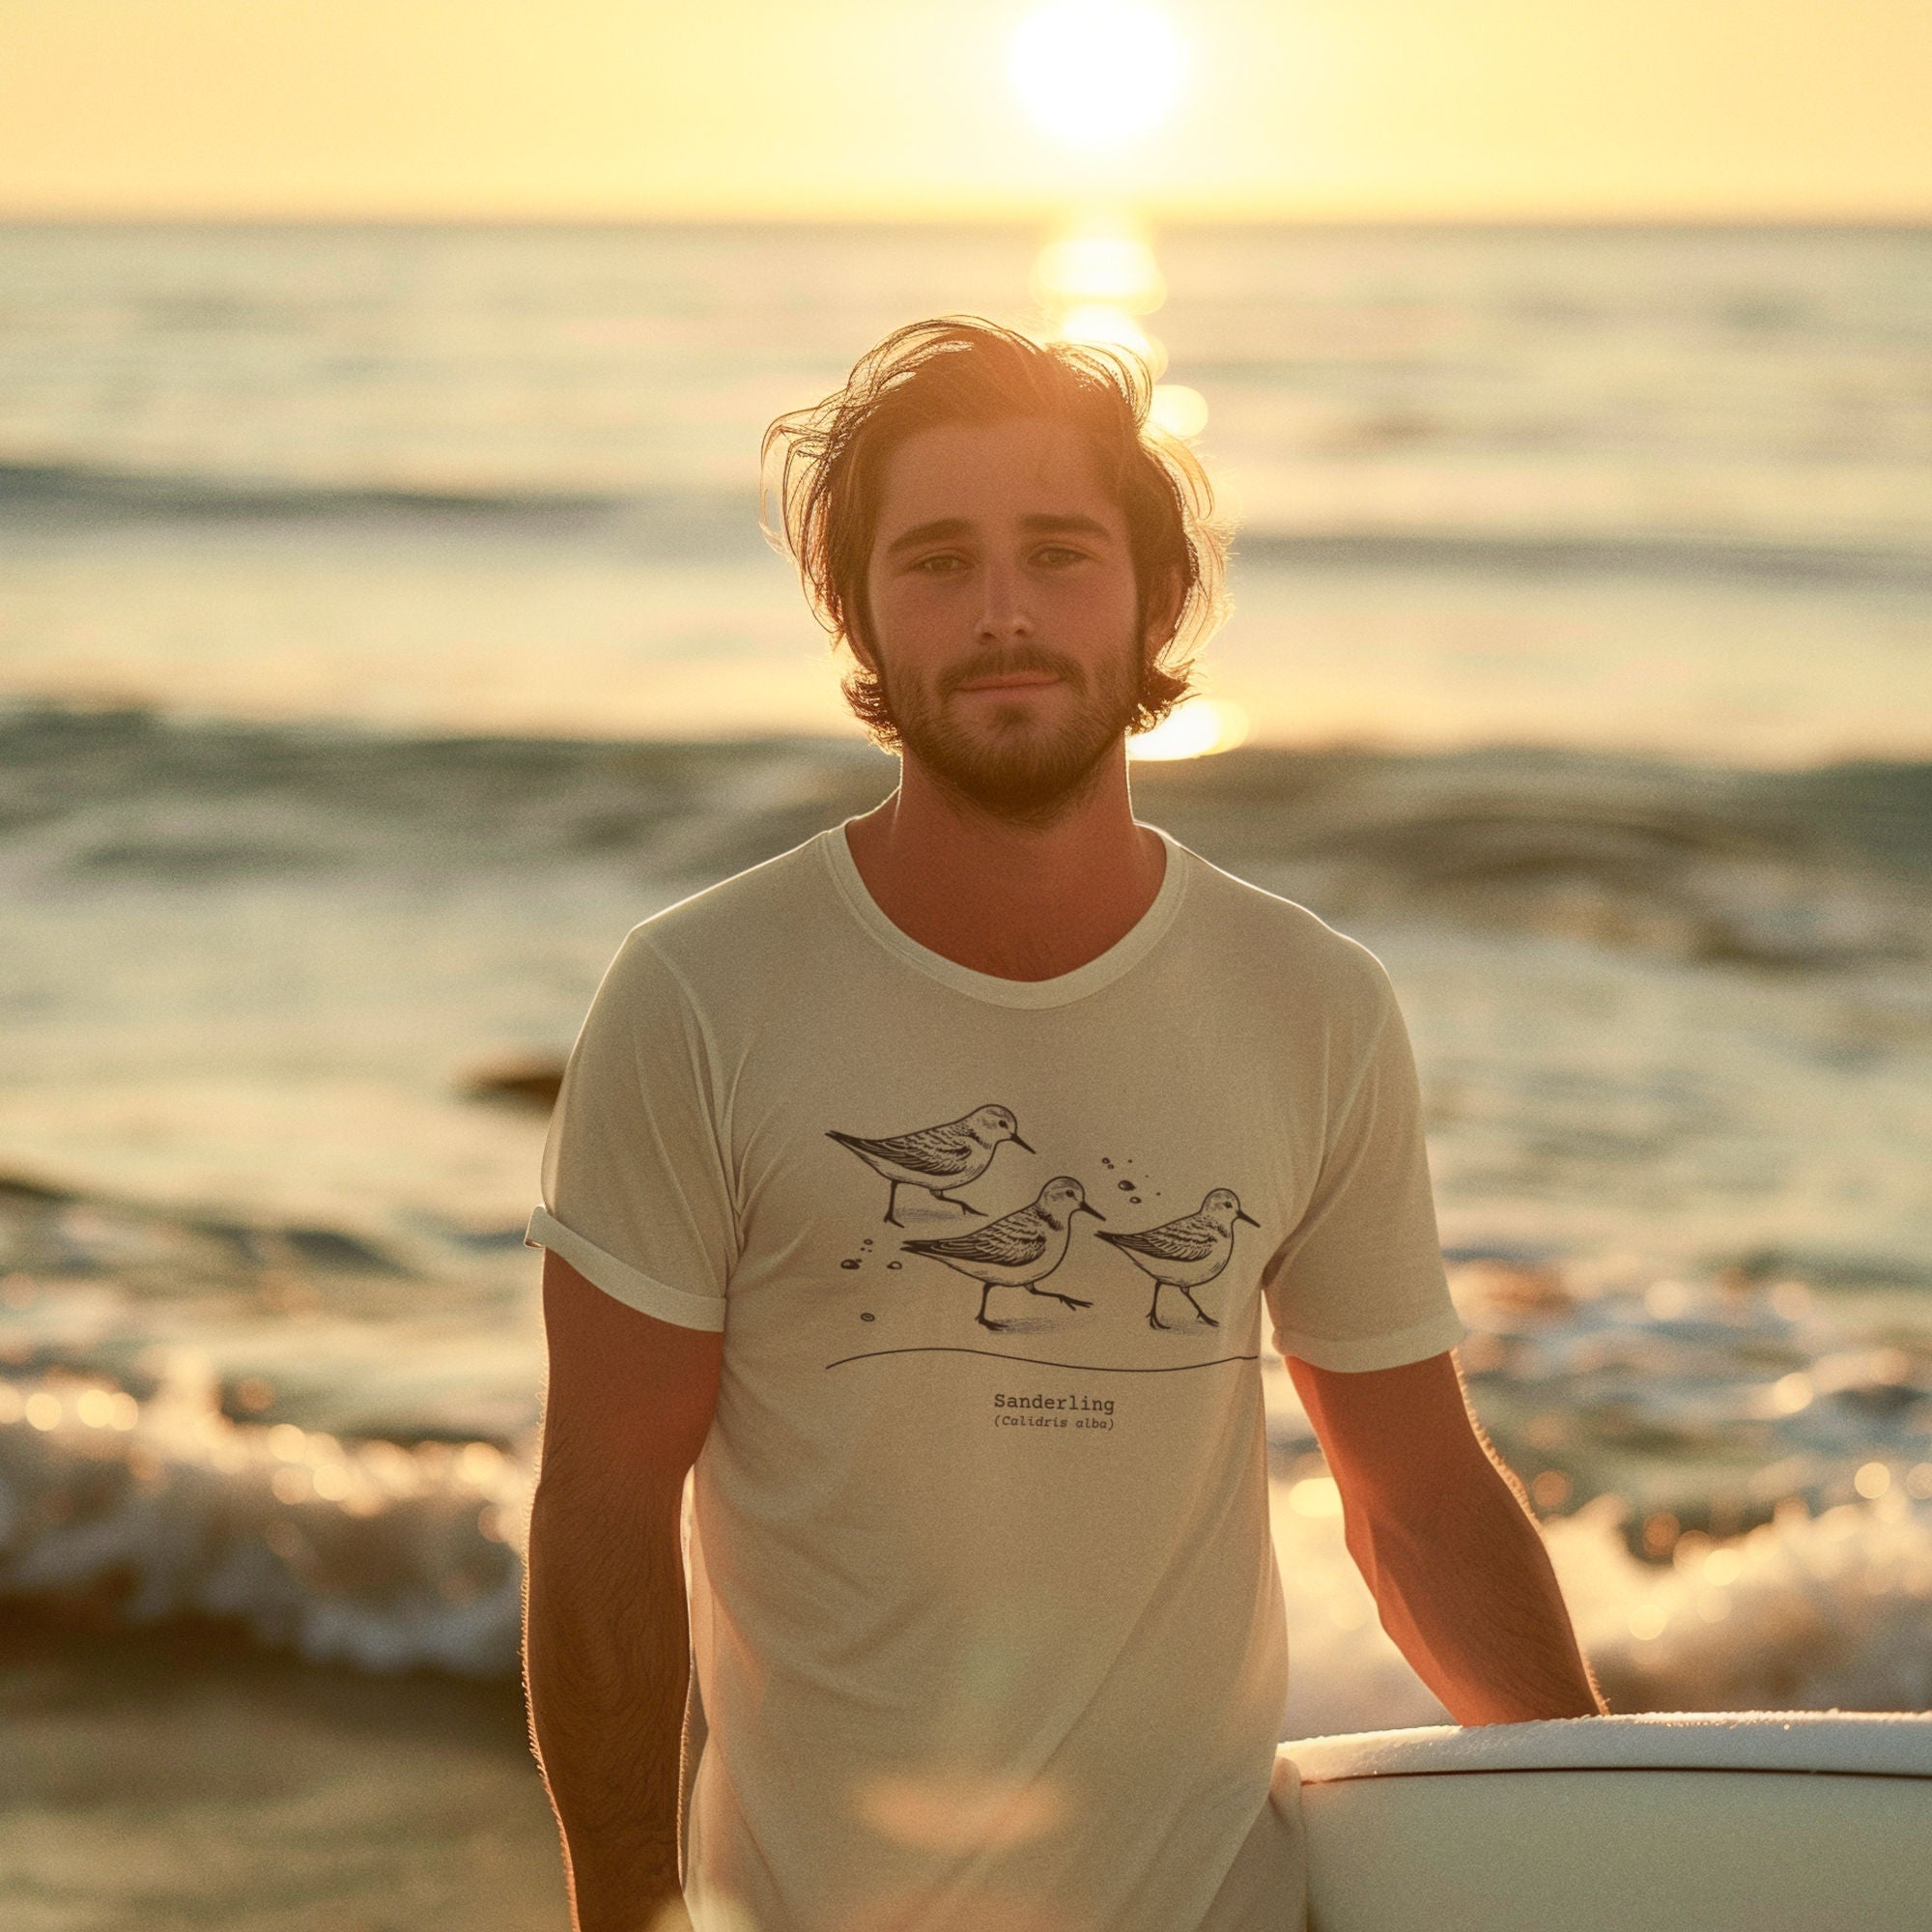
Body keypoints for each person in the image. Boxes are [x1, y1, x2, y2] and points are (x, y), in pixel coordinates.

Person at [521, 317, 1605, 1932]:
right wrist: (627, 1912)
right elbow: (606, 1505)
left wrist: (1616, 1824)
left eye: (1059, 553)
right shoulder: (697, 998)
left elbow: (1421, 1504)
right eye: (939, 561)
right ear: (862, 617)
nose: (1006, 613)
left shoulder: (1311, 1004)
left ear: (1154, 599)